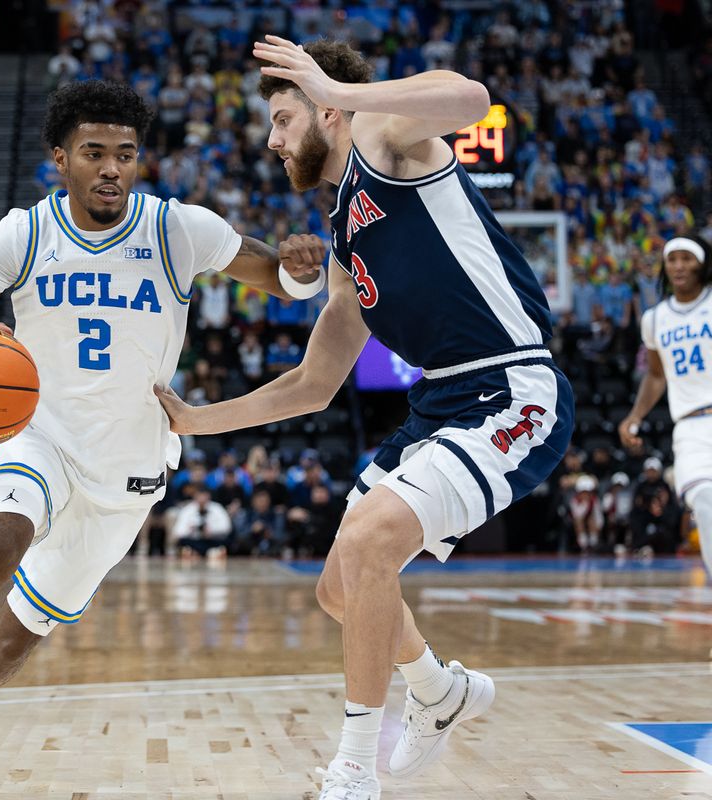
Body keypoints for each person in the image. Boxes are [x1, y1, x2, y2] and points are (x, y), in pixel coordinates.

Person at [0, 78, 325, 800]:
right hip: (40, 436)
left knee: (16, 638)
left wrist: (303, 268)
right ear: (59, 158)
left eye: (125, 154)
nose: (111, 168)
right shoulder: (25, 233)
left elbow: (279, 278)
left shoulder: (177, 229)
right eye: (93, 153)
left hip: (129, 466)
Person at [154, 39, 574, 799]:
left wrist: (337, 86)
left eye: (283, 119)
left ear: (326, 108)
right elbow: (315, 385)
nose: (274, 141)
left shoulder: (386, 141)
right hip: (440, 404)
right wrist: (193, 421)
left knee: (373, 538)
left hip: (512, 387)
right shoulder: (347, 231)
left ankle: (353, 771)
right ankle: (441, 693)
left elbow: (472, 96)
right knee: (339, 589)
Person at [618, 235, 712, 574]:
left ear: (702, 264)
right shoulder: (655, 319)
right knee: (703, 499)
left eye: (687, 258)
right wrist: (635, 416)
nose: (679, 266)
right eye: (673, 259)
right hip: (690, 426)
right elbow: (657, 376)